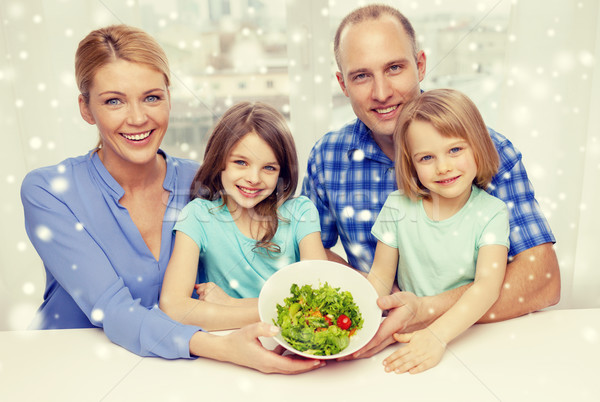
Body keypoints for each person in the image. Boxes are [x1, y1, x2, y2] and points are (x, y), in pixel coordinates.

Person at [21, 24, 323, 374]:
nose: (137, 118)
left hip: (172, 372)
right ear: (86, 108)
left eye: (152, 97)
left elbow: (276, 230)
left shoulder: (204, 182)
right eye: (113, 101)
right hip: (63, 365)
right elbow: (113, 309)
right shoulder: (48, 191)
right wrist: (226, 346)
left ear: (168, 97)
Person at [301, 4, 560, 356]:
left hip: (481, 343)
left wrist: (424, 312)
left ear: (420, 65)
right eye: (361, 76)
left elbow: (541, 281)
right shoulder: (327, 158)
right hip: (375, 347)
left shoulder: (488, 149)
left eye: (394, 68)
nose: (381, 92)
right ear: (342, 84)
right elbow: (308, 252)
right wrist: (371, 307)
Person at [367, 88, 509, 374]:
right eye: (426, 158)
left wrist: (437, 336)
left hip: (468, 335)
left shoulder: (492, 213)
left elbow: (487, 286)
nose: (443, 167)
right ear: (411, 164)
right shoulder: (397, 206)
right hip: (408, 336)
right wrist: (359, 320)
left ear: (478, 146)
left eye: (455, 150)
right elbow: (380, 277)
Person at [159, 101, 327, 330]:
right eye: (241, 162)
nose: (254, 178)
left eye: (269, 168)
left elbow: (318, 301)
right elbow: (174, 307)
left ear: (282, 172)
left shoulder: (301, 213)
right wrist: (283, 313)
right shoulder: (198, 216)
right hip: (229, 345)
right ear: (219, 162)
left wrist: (232, 304)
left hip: (291, 343)